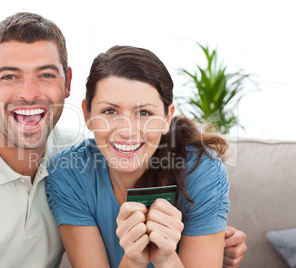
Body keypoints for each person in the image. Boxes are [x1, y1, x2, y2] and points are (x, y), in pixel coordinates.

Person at [0, 12, 246, 268]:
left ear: (66, 84)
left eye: (45, 75)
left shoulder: (68, 155)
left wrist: (196, 241)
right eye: (10, 76)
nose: (29, 93)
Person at [46, 45, 242, 268]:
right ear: (88, 115)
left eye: (145, 113)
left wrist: (165, 257)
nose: (127, 131)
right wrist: (133, 260)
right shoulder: (68, 174)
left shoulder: (201, 169)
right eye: (110, 111)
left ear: (167, 118)